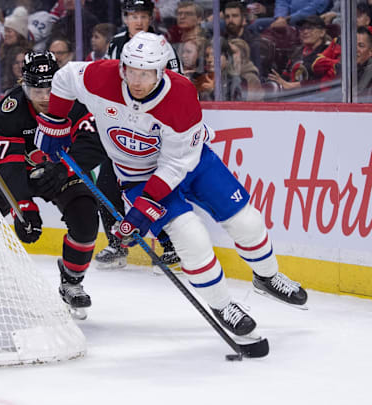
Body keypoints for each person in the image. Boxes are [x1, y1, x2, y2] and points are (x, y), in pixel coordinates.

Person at [34, 32, 308, 337]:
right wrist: (55, 123)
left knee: (247, 221)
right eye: (131, 71)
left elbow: (177, 164)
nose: (136, 81)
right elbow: (65, 77)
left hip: (189, 163)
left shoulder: (180, 96)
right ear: (122, 66)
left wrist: (140, 213)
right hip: (137, 175)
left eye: (145, 74)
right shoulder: (103, 77)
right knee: (192, 237)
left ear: (161, 72)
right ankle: (222, 305)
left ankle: (267, 277)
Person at [0, 50, 99, 318]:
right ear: (22, 85)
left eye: (50, 88)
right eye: (36, 90)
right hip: (18, 175)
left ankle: (71, 282)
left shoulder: (78, 103)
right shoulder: (9, 110)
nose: (45, 97)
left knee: (86, 220)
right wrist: (23, 205)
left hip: (62, 172)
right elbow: (10, 164)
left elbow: (93, 146)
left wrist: (64, 169)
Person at [99, 0, 182, 270]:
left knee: (153, 188)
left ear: (150, 17)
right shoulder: (116, 44)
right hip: (120, 128)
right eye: (132, 15)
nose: (137, 20)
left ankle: (170, 246)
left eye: (142, 15)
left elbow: (176, 84)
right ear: (125, 17)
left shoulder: (162, 44)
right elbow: (106, 83)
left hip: (151, 130)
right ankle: (117, 243)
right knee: (107, 186)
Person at [357, 26, 372, 99]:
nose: (355, 49)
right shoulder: (341, 67)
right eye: (352, 44)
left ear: (370, 51)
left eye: (361, 46)